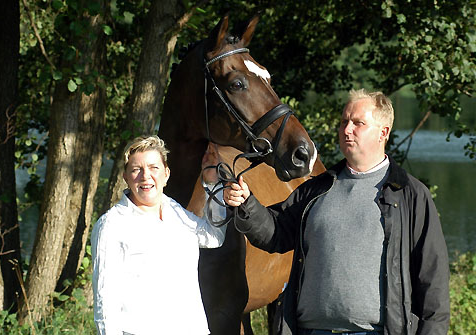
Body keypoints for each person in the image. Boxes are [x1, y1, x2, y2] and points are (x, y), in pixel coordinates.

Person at [224, 89, 450, 335]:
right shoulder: (316, 189)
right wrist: (246, 203)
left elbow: (432, 281)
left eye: (358, 123)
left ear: (383, 133)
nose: (346, 129)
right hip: (311, 331)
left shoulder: (409, 195)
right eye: (344, 122)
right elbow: (275, 232)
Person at [91, 135, 226, 335]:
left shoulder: (174, 210)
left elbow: (214, 237)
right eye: (136, 170)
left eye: (154, 168)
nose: (146, 176)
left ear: (166, 174)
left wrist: (213, 184)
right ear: (125, 178)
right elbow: (104, 301)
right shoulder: (111, 225)